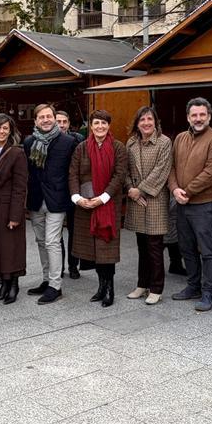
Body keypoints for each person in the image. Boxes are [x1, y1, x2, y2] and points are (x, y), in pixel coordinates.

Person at [169, 97, 212, 312]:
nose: (198, 118)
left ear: (209, 116)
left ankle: (208, 292)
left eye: (202, 114)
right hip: (182, 203)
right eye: (194, 115)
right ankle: (192, 286)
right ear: (188, 117)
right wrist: (175, 189)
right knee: (186, 247)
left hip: (204, 204)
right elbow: (171, 167)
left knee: (207, 250)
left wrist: (187, 191)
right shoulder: (180, 138)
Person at [69, 110, 128, 307]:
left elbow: (119, 176)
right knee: (94, 250)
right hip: (86, 206)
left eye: (104, 123)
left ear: (108, 126)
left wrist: (102, 198)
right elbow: (73, 174)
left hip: (107, 205)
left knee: (106, 249)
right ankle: (101, 286)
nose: (100, 127)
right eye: (96, 123)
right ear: (91, 126)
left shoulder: (118, 147)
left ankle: (110, 288)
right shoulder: (81, 148)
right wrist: (77, 198)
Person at [23, 104, 77, 304]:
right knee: (40, 241)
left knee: (52, 241)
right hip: (37, 199)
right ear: (35, 121)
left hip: (57, 198)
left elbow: (73, 172)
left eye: (48, 116)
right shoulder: (29, 142)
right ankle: (46, 280)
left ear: (55, 118)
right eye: (41, 117)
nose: (45, 120)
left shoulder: (68, 142)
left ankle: (56, 285)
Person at [124, 107, 172, 305]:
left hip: (155, 199)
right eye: (142, 119)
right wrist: (131, 190)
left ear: (155, 121)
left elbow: (162, 170)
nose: (146, 123)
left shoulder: (164, 142)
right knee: (141, 245)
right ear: (137, 123)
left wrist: (140, 190)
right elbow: (124, 169)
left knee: (155, 246)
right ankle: (142, 285)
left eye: (149, 119)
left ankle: (156, 288)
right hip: (136, 200)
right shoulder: (131, 142)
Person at [0, 114, 28, 305]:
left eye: (5, 128)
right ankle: (3, 284)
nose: (1, 132)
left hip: (9, 208)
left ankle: (14, 286)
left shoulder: (17, 153)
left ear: (10, 131)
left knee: (11, 248)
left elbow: (20, 186)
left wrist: (16, 215)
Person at [56, 109, 84, 279]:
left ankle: (73, 266)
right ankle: (58, 267)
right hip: (57, 192)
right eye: (58, 121)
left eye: (64, 122)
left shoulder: (78, 140)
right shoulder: (49, 140)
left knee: (74, 231)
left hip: (74, 190)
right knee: (56, 232)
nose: (61, 125)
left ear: (68, 124)